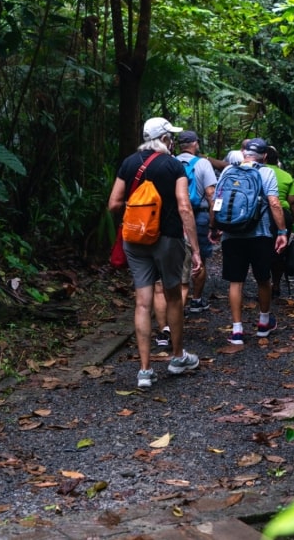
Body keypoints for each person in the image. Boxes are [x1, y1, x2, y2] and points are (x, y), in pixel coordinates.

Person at [108, 117, 202, 388]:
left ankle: (145, 371)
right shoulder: (173, 165)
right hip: (167, 239)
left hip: (135, 239)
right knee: (173, 296)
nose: (171, 142)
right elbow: (184, 206)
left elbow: (114, 204)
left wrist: (139, 209)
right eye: (170, 137)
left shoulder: (129, 163)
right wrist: (195, 250)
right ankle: (177, 358)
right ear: (164, 139)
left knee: (142, 301)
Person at [208, 138, 288, 345]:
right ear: (265, 156)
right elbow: (274, 203)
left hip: (231, 235)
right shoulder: (266, 172)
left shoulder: (227, 172)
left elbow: (216, 201)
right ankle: (263, 323)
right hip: (259, 235)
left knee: (236, 282)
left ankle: (237, 330)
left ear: (244, 153)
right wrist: (282, 231)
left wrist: (214, 227)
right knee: (263, 278)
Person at [175, 131, 218, 313]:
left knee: (177, 259)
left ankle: (176, 301)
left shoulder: (172, 161)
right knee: (199, 259)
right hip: (199, 216)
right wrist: (214, 223)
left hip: (176, 215)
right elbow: (211, 195)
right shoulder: (203, 164)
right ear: (195, 144)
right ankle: (196, 300)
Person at [265, 145, 294, 297]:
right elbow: (293, 202)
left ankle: (264, 284)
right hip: (283, 215)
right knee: (280, 250)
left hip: (263, 214)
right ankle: (276, 285)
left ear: (264, 157)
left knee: (263, 248)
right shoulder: (286, 176)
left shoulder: (258, 171)